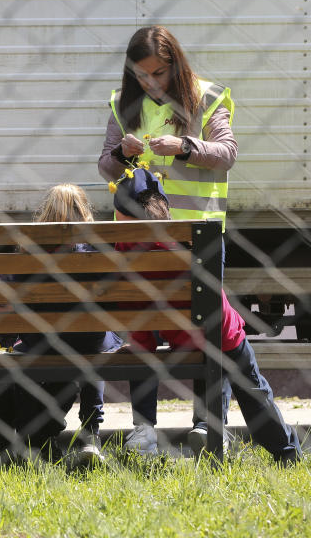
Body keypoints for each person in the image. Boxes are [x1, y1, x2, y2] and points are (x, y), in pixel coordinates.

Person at [113, 168, 302, 464]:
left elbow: (136, 315)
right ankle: (285, 451)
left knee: (217, 359)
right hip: (219, 335)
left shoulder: (121, 252)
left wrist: (143, 346)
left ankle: (204, 427)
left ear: (121, 215)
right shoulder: (185, 243)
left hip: (178, 340)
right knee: (253, 389)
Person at [0, 184, 122, 465]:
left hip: (40, 340)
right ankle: (90, 433)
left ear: (45, 214)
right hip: (88, 339)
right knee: (97, 342)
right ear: (85, 212)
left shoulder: (29, 248)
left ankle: (29, 439)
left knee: (20, 357)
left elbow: (8, 300)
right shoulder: (97, 246)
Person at [98, 26, 237, 233]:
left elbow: (227, 155)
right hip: (136, 226)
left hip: (196, 227)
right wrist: (121, 154)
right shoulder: (122, 103)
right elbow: (106, 169)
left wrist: (184, 147)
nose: (151, 83)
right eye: (142, 75)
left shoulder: (206, 98)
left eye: (159, 73)